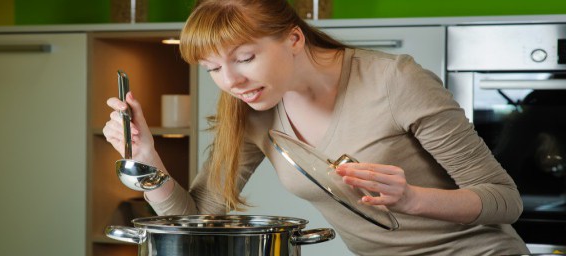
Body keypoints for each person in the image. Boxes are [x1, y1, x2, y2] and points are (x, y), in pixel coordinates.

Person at [103, 0, 530, 254]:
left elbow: (504, 200)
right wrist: (147, 162)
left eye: (245, 58)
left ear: (293, 39)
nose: (230, 81)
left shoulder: (393, 80)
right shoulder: (252, 111)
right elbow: (196, 220)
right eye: (213, 68)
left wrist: (412, 199)